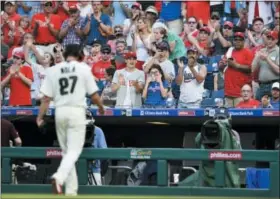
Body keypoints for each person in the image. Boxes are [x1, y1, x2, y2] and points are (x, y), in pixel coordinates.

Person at [36, 44, 105, 196]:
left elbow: (46, 98)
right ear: (80, 55)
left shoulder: (53, 70)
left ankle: (71, 191)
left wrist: (40, 117)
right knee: (74, 150)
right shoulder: (83, 68)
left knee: (67, 152)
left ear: (66, 54)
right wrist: (101, 107)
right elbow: (94, 95)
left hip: (59, 112)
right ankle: (59, 177)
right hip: (77, 111)